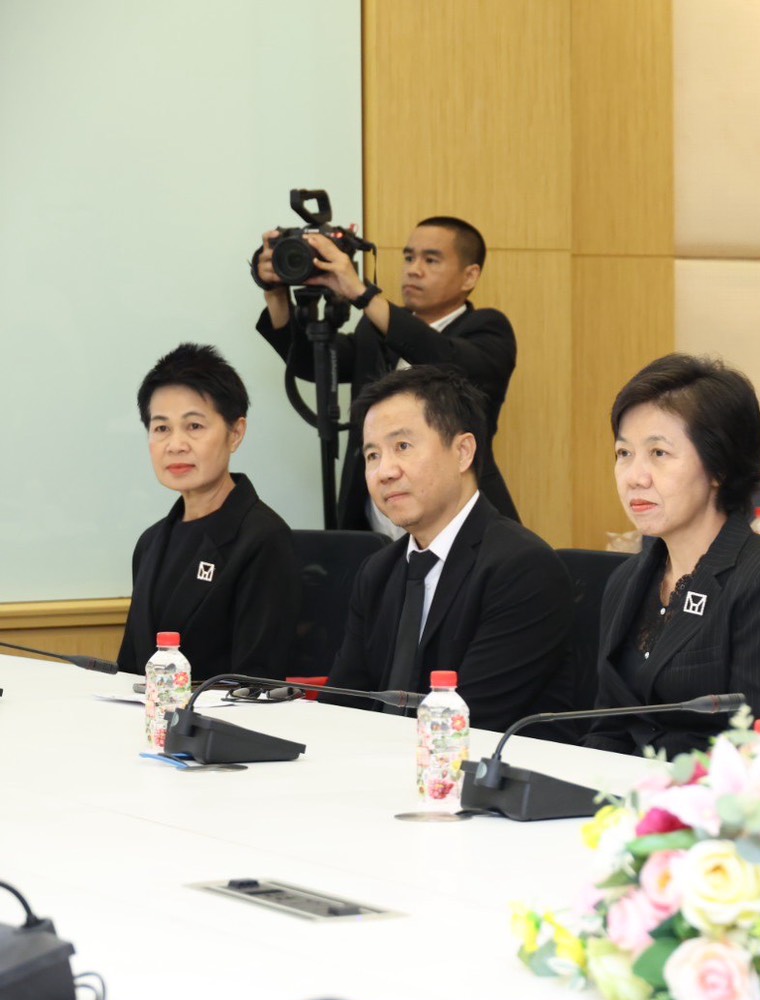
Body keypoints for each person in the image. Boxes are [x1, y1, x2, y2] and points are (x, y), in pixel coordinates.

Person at [586, 355, 760, 758]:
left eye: (658, 453)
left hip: (718, 793)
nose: (634, 477)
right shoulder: (625, 581)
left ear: (719, 468)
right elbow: (607, 728)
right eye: (624, 453)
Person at [328, 366, 573, 734]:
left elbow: (468, 723)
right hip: (380, 760)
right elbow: (341, 706)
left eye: (402, 447)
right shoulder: (377, 571)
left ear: (462, 452)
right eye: (372, 455)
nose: (384, 472)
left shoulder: (523, 568)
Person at [254, 216, 519, 534]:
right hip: (374, 529)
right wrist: (276, 295)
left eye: (431, 260)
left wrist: (362, 293)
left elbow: (444, 359)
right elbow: (312, 362)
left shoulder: (489, 329)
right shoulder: (376, 327)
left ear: (469, 276)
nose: (413, 269)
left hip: (463, 527)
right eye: (409, 257)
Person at [118, 344, 299, 680]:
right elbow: (130, 671)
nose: (175, 445)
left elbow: (256, 682)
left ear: (236, 433)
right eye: (161, 428)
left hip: (220, 715)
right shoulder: (150, 542)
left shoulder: (262, 539)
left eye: (194, 426)